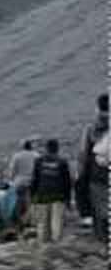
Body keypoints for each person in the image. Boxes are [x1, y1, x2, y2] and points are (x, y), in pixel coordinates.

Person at [77, 93, 109, 243]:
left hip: (97, 175)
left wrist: (81, 175)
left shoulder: (91, 128)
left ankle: (103, 241)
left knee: (98, 209)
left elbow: (84, 154)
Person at [30, 138, 72, 244]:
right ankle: (56, 245)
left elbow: (35, 179)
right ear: (57, 148)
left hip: (42, 196)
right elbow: (67, 182)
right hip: (59, 196)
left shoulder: (39, 161)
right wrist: (68, 199)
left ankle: (43, 244)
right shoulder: (62, 162)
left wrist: (32, 196)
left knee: (43, 223)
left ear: (46, 148)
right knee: (56, 222)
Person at [8, 140, 40, 228]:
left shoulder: (17, 156)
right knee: (31, 203)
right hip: (32, 183)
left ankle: (18, 221)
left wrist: (11, 181)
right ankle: (30, 222)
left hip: (19, 183)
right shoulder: (37, 156)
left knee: (18, 203)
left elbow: (12, 171)